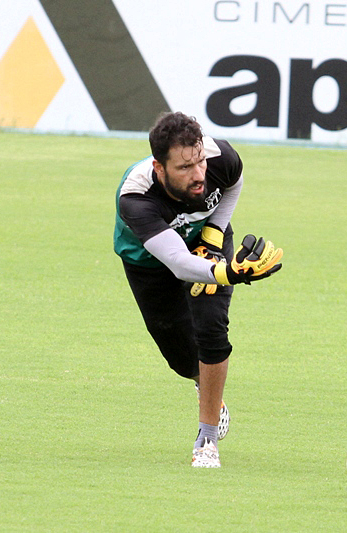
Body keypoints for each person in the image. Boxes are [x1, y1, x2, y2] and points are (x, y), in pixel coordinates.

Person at [113, 111, 283, 468]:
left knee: (211, 328)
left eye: (200, 161)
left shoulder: (221, 157)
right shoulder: (135, 197)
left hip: (207, 240)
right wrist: (228, 272)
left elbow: (234, 182)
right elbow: (177, 262)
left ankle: (207, 439)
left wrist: (214, 235)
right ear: (159, 168)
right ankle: (203, 385)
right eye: (185, 168)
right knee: (180, 356)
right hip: (150, 261)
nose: (199, 174)